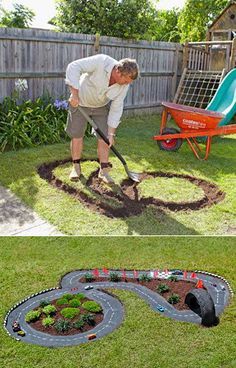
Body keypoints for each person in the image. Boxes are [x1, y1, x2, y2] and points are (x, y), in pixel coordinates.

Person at [65, 53, 139, 184]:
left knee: (105, 138)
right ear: (118, 72)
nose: (128, 84)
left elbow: (116, 108)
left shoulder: (124, 86)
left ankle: (103, 171)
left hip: (101, 107)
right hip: (80, 102)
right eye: (127, 80)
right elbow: (74, 66)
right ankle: (76, 167)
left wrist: (111, 134)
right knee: (77, 135)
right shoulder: (101, 61)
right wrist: (74, 94)